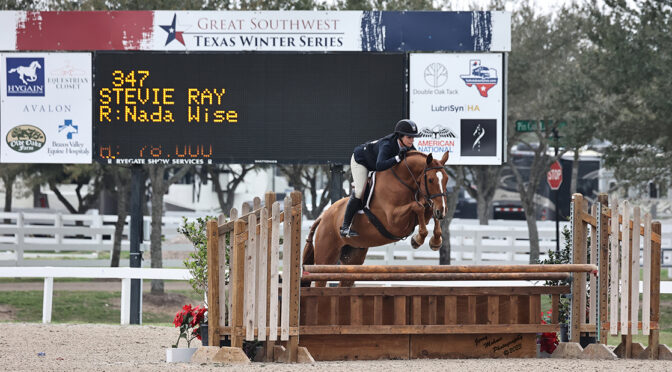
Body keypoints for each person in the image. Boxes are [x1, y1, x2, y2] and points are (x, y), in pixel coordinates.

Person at [340, 119, 420, 237]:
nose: (412, 140)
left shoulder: (409, 146)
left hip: (375, 162)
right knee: (359, 190)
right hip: (362, 161)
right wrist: (398, 158)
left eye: (413, 138)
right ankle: (345, 227)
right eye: (409, 137)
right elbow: (380, 165)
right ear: (400, 136)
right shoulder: (387, 144)